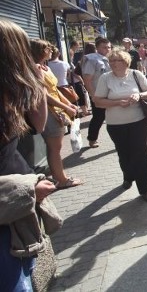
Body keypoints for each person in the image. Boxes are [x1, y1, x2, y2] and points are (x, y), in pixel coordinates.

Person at [0, 19, 61, 291]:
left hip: (15, 200)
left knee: (25, 268)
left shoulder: (12, 91)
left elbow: (35, 124)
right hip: (9, 199)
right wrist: (23, 188)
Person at [92, 49, 147, 202]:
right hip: (115, 124)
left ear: (126, 62)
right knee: (124, 154)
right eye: (111, 61)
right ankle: (128, 176)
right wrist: (116, 103)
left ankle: (146, 188)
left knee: (141, 154)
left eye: (117, 60)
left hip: (138, 122)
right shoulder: (105, 78)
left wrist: (138, 95)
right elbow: (98, 101)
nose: (113, 64)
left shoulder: (136, 74)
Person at [30, 39, 82, 189]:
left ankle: (60, 177)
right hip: (48, 111)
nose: (51, 50)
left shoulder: (45, 67)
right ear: (40, 51)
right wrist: (65, 106)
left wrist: (68, 104)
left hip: (55, 110)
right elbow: (44, 95)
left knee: (56, 147)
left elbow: (55, 89)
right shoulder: (35, 69)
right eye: (47, 48)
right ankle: (61, 179)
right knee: (54, 148)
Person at [82, 37, 112, 148]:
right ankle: (92, 138)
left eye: (109, 47)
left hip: (111, 94)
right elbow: (87, 80)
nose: (107, 49)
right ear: (97, 48)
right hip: (99, 94)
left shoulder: (109, 58)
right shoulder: (92, 59)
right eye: (104, 47)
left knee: (114, 116)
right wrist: (93, 95)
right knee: (99, 117)